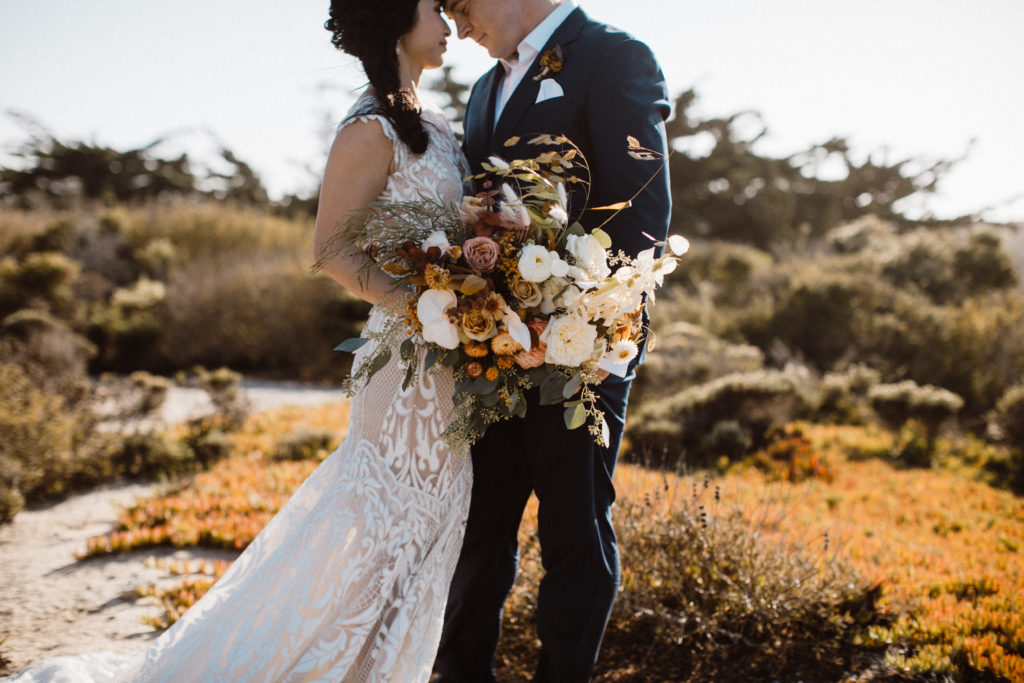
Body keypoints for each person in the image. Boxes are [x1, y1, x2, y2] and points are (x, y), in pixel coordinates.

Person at [3, 1, 472, 681]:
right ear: (398, 16)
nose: (449, 21)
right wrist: (422, 304)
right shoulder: (369, 130)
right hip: (403, 362)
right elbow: (333, 253)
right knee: (379, 529)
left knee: (429, 526)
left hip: (452, 366)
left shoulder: (440, 126)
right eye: (434, 7)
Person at [432, 1, 672, 681]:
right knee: (479, 529)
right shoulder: (485, 89)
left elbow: (642, 212)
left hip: (579, 348)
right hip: (491, 346)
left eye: (461, 4)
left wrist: (575, 323)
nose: (457, 24)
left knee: (573, 530)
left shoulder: (615, 57)